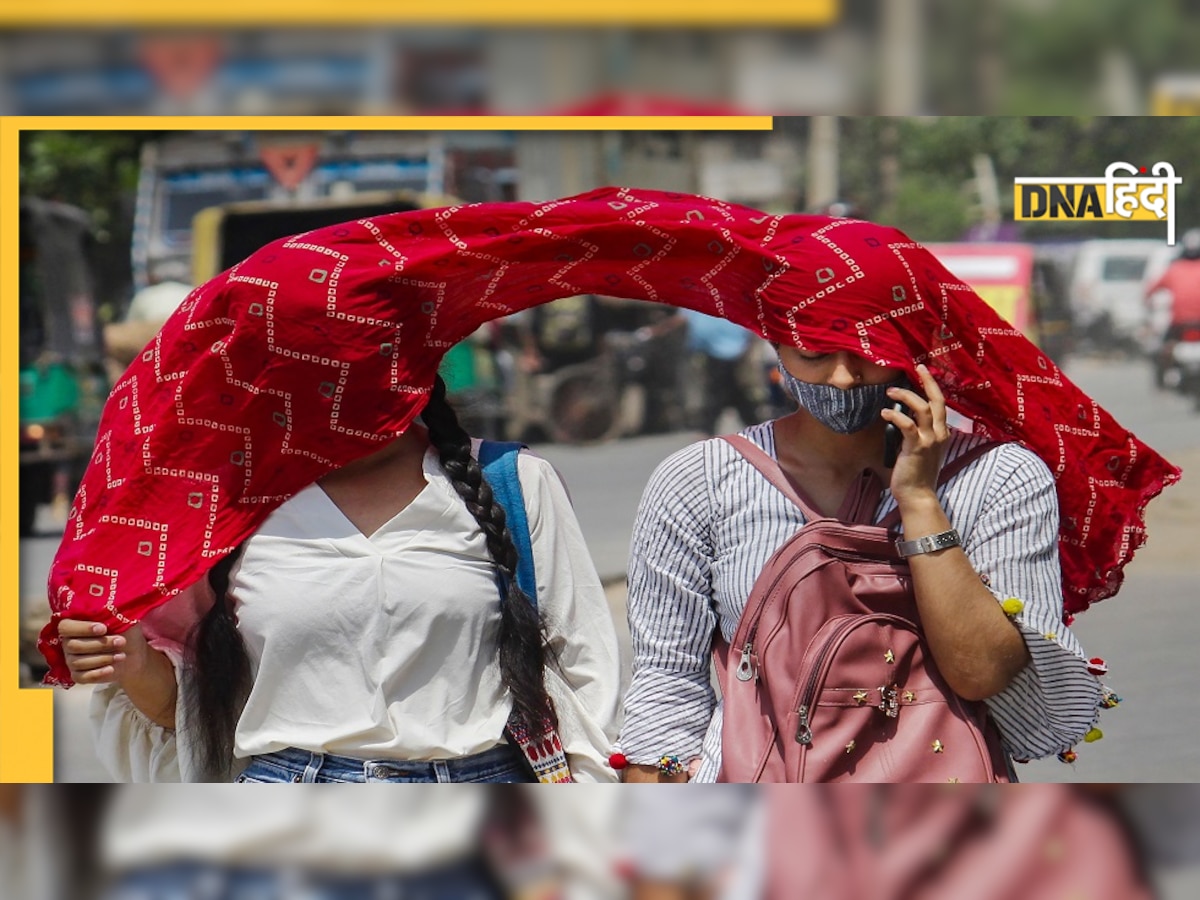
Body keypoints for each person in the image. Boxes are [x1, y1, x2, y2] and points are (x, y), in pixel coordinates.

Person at [57, 375, 622, 784]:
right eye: (313, 358)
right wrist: (129, 662)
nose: (340, 376)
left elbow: (585, 671)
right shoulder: (224, 507)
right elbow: (193, 717)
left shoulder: (513, 482)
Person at [618, 345, 1104, 782]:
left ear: (909, 346)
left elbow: (980, 672)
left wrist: (918, 500)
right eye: (814, 353)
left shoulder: (1000, 477)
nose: (844, 378)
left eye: (865, 351)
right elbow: (667, 675)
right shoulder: (699, 480)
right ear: (775, 343)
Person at [681, 309, 766, 436]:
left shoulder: (701, 308)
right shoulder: (729, 304)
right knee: (733, 392)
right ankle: (755, 426)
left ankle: (708, 428)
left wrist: (695, 349)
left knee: (719, 393)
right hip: (736, 353)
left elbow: (698, 332)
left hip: (717, 355)